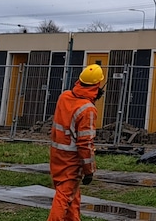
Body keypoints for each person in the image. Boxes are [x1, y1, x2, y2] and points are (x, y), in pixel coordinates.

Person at [48, 64, 105, 221]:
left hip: (56, 155)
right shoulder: (88, 109)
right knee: (64, 196)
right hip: (71, 160)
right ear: (97, 85)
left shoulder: (64, 96)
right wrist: (89, 170)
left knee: (72, 196)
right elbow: (85, 144)